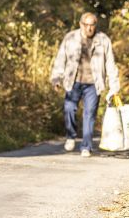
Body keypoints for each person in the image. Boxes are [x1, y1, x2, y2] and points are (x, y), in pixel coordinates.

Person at [50, 12, 120, 157]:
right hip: (73, 81)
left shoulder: (103, 40)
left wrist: (114, 87)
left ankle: (86, 147)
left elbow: (110, 64)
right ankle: (71, 136)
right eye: (86, 25)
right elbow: (60, 59)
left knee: (89, 114)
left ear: (95, 25)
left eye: (92, 25)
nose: (89, 28)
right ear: (81, 24)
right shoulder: (70, 38)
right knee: (69, 108)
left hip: (93, 84)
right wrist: (56, 78)